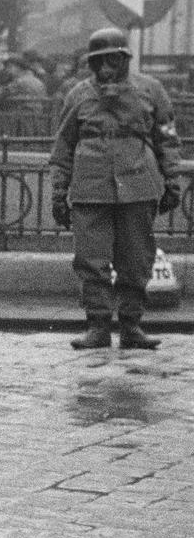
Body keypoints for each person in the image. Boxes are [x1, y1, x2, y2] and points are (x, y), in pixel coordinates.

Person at [49, 27, 181, 351]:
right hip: (91, 187)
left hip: (138, 184)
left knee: (136, 259)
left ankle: (131, 325)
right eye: (98, 62)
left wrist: (172, 180)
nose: (106, 69)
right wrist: (58, 192)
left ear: (125, 60)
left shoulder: (150, 90)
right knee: (91, 260)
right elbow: (63, 146)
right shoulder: (78, 95)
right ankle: (98, 326)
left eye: (112, 61)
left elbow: (166, 138)